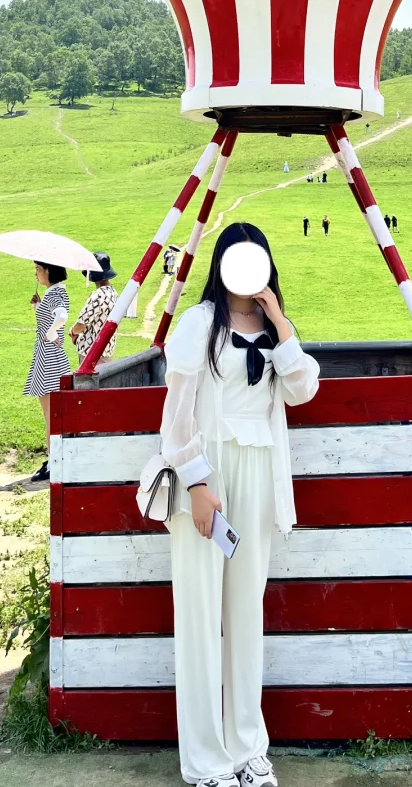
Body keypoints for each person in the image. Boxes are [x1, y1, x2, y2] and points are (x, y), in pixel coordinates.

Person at [161, 222, 319, 787]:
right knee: (201, 617)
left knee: (245, 616)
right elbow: (175, 418)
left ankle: (249, 748)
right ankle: (206, 762)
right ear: (222, 263)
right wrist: (198, 483)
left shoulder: (277, 331)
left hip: (258, 472)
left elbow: (303, 390)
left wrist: (278, 322)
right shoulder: (200, 324)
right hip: (208, 474)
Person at [26, 261, 70, 483]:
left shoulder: (56, 294)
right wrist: (38, 306)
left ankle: (54, 463)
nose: (36, 274)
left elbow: (61, 317)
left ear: (48, 271)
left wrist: (51, 334)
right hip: (49, 355)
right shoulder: (53, 293)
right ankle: (54, 460)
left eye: (38, 269)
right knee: (51, 414)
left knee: (50, 415)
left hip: (49, 356)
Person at [70, 253, 119, 366]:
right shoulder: (113, 293)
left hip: (92, 354)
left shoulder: (98, 296)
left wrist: (72, 332)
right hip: (107, 349)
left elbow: (81, 325)